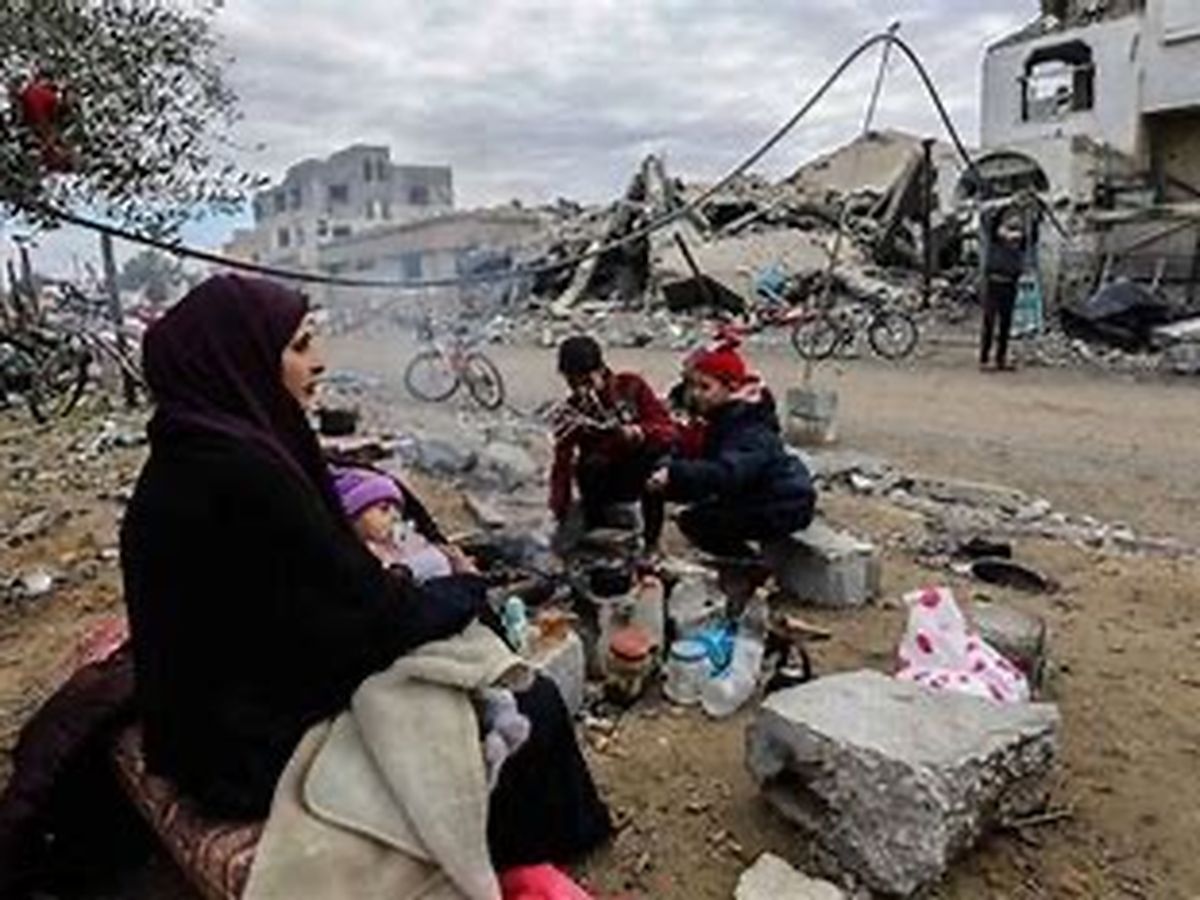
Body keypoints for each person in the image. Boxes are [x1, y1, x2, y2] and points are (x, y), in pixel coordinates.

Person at [120, 274, 610, 867]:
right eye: (300, 345)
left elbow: (306, 596)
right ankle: (535, 852)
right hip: (246, 754)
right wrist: (460, 589)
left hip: (207, 724)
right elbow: (365, 624)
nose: (320, 361)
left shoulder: (190, 452)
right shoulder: (246, 474)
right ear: (240, 358)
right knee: (532, 703)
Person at [648, 339, 815, 559]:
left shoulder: (748, 424)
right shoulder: (723, 416)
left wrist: (677, 473)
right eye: (692, 386)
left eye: (705, 387)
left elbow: (730, 472)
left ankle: (748, 567)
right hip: (761, 493)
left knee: (697, 522)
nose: (695, 394)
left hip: (784, 501)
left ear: (731, 388)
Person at [549, 334, 675, 551]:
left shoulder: (631, 388)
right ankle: (596, 531)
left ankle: (651, 543)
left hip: (639, 468)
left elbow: (667, 429)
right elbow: (562, 462)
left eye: (586, 382)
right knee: (587, 467)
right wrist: (560, 508)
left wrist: (641, 432)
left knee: (658, 459)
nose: (581, 390)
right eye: (573, 383)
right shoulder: (574, 411)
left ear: (600, 371)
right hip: (603, 478)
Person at [331, 465, 462, 583]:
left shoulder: (398, 542)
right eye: (384, 509)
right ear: (353, 513)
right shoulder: (350, 557)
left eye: (397, 511)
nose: (395, 517)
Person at [980, 205, 1028, 372]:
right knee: (990, 322)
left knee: (1005, 324)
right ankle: (985, 359)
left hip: (1010, 284)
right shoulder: (996, 237)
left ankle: (1001, 358)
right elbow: (994, 222)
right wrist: (1008, 204)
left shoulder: (1020, 241)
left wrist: (1032, 212)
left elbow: (1031, 233)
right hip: (994, 283)